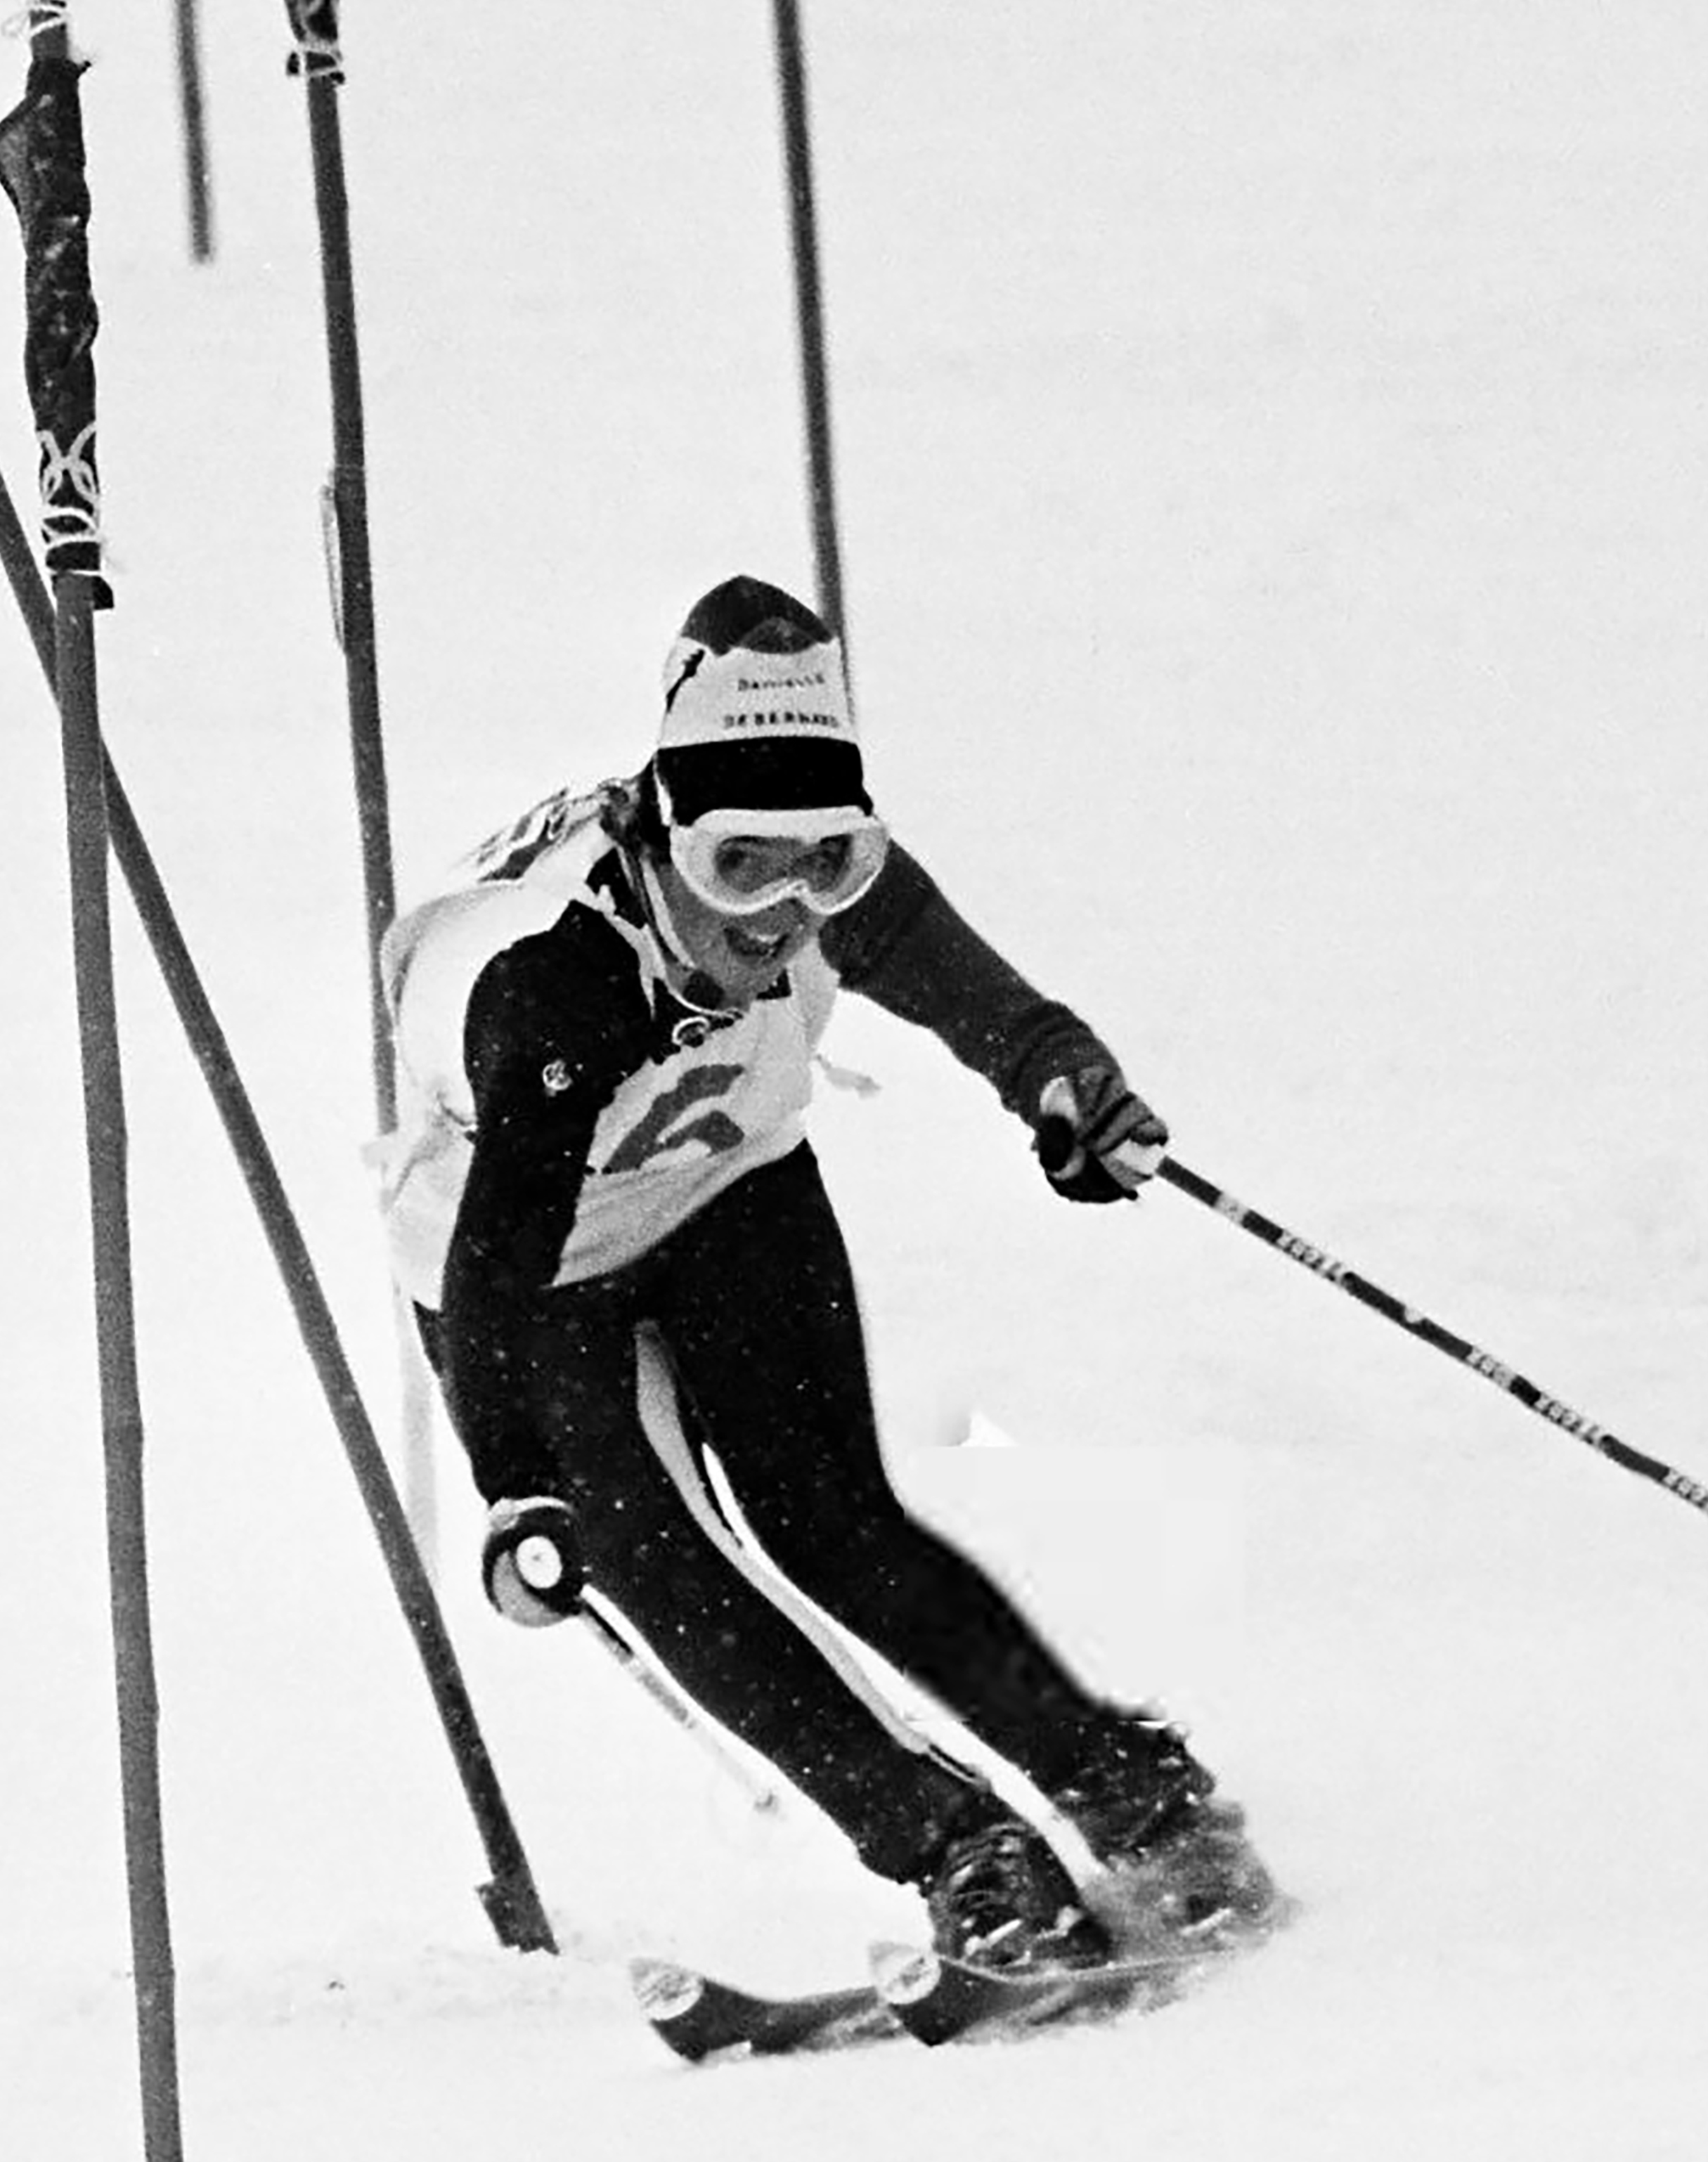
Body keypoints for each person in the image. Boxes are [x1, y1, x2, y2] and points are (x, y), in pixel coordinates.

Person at [377, 577, 1269, 1974]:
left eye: (830, 868)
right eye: (742, 870)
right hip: (531, 1267)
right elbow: (500, 1256)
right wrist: (515, 1479)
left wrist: (1062, 1082)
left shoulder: (789, 850)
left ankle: (1126, 1788)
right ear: (662, 835)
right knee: (663, 1564)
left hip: (730, 1184)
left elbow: (968, 987)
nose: (786, 914)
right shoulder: (552, 983)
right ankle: (957, 1845)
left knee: (832, 1515)